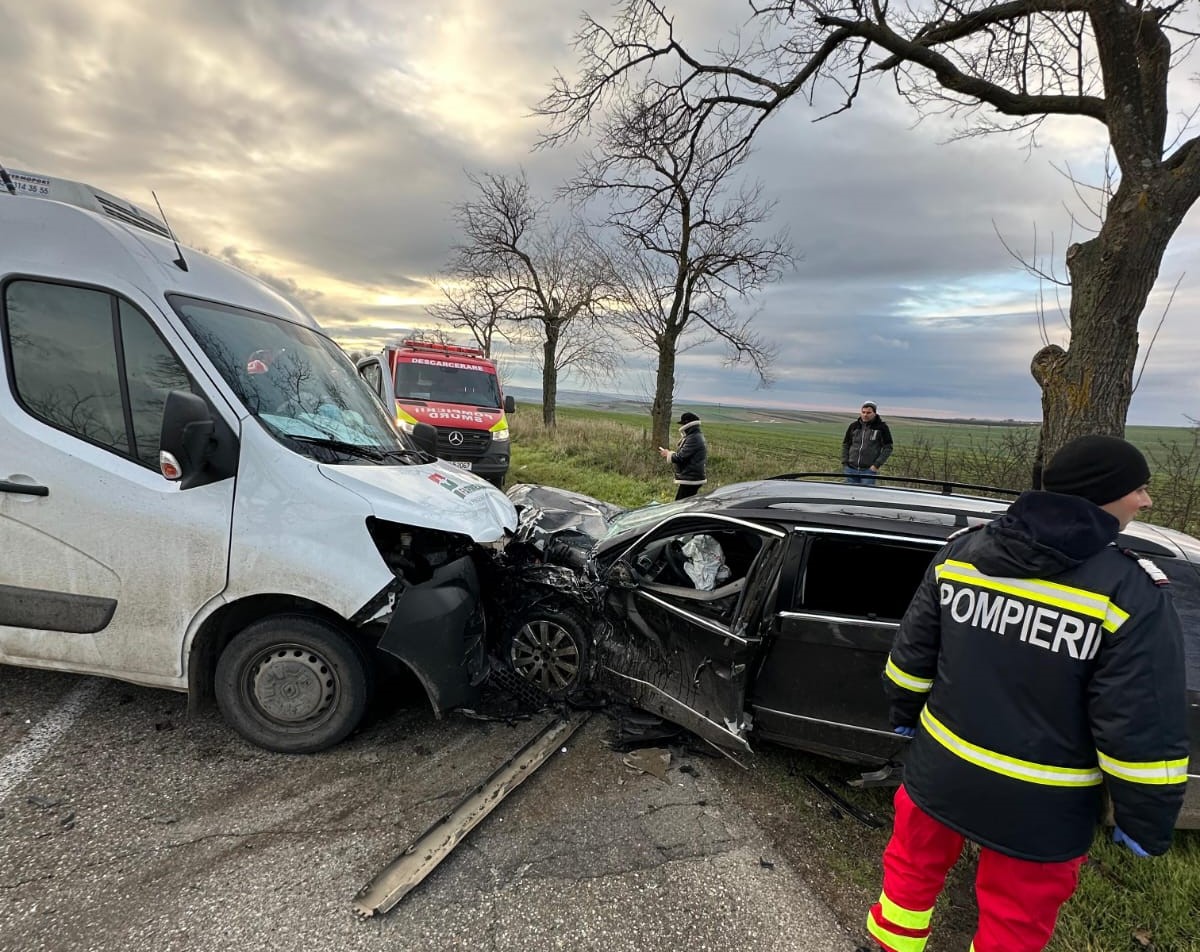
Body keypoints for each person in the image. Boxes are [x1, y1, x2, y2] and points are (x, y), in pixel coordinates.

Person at [867, 435, 1189, 952]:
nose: (1146, 501)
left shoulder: (963, 552)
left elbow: (909, 659)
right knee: (1015, 919)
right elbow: (1139, 725)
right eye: (1139, 489)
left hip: (940, 768)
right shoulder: (1130, 592)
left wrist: (902, 712)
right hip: (1043, 803)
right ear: (1104, 494)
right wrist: (1146, 818)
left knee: (909, 876)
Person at [658, 411, 707, 500]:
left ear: (687, 425)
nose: (681, 426)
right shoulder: (695, 436)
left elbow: (681, 457)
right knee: (685, 502)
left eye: (682, 424)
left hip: (691, 479)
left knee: (680, 504)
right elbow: (685, 455)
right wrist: (671, 453)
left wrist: (668, 454)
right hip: (692, 477)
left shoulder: (693, 438)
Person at [842, 401, 893, 485]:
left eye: (868, 413)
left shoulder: (881, 428)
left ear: (874, 413)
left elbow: (888, 447)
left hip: (868, 471)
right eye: (863, 412)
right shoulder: (854, 426)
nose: (865, 415)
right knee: (850, 492)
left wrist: (876, 465)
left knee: (865, 492)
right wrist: (845, 462)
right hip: (851, 469)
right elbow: (846, 444)